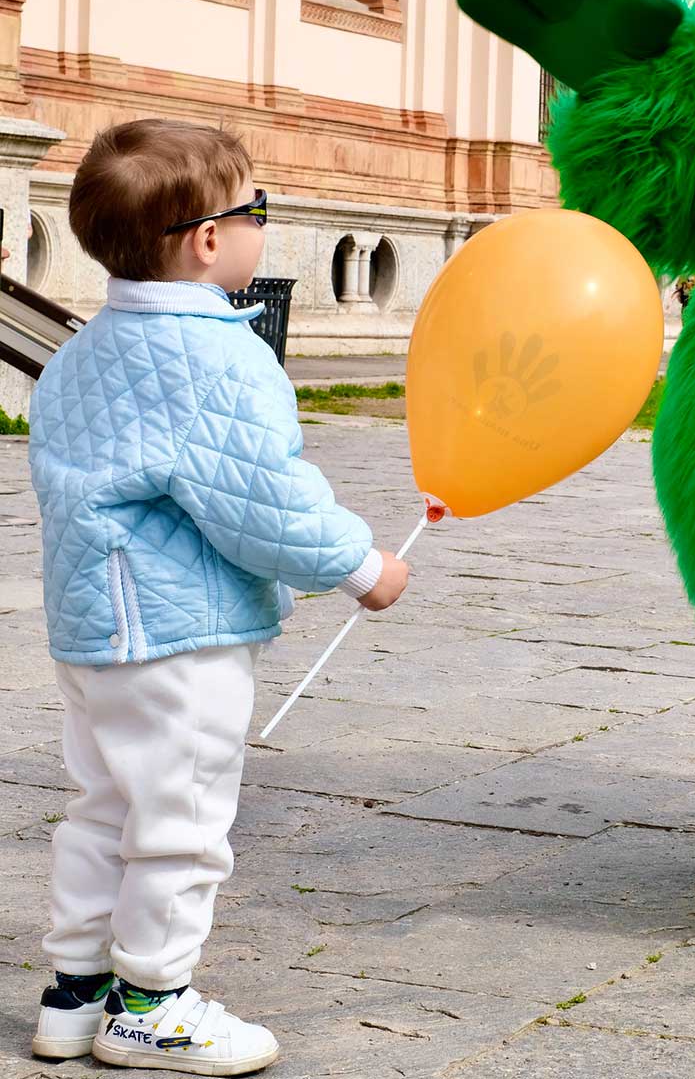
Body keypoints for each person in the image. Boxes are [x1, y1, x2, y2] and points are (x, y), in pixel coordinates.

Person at [27, 119, 411, 1074]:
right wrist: (362, 566)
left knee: (105, 807)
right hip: (178, 631)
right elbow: (264, 501)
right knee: (184, 819)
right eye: (258, 211)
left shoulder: (84, 349)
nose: (259, 231)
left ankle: (75, 993)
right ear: (208, 237)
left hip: (93, 629)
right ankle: (151, 1002)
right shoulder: (216, 358)